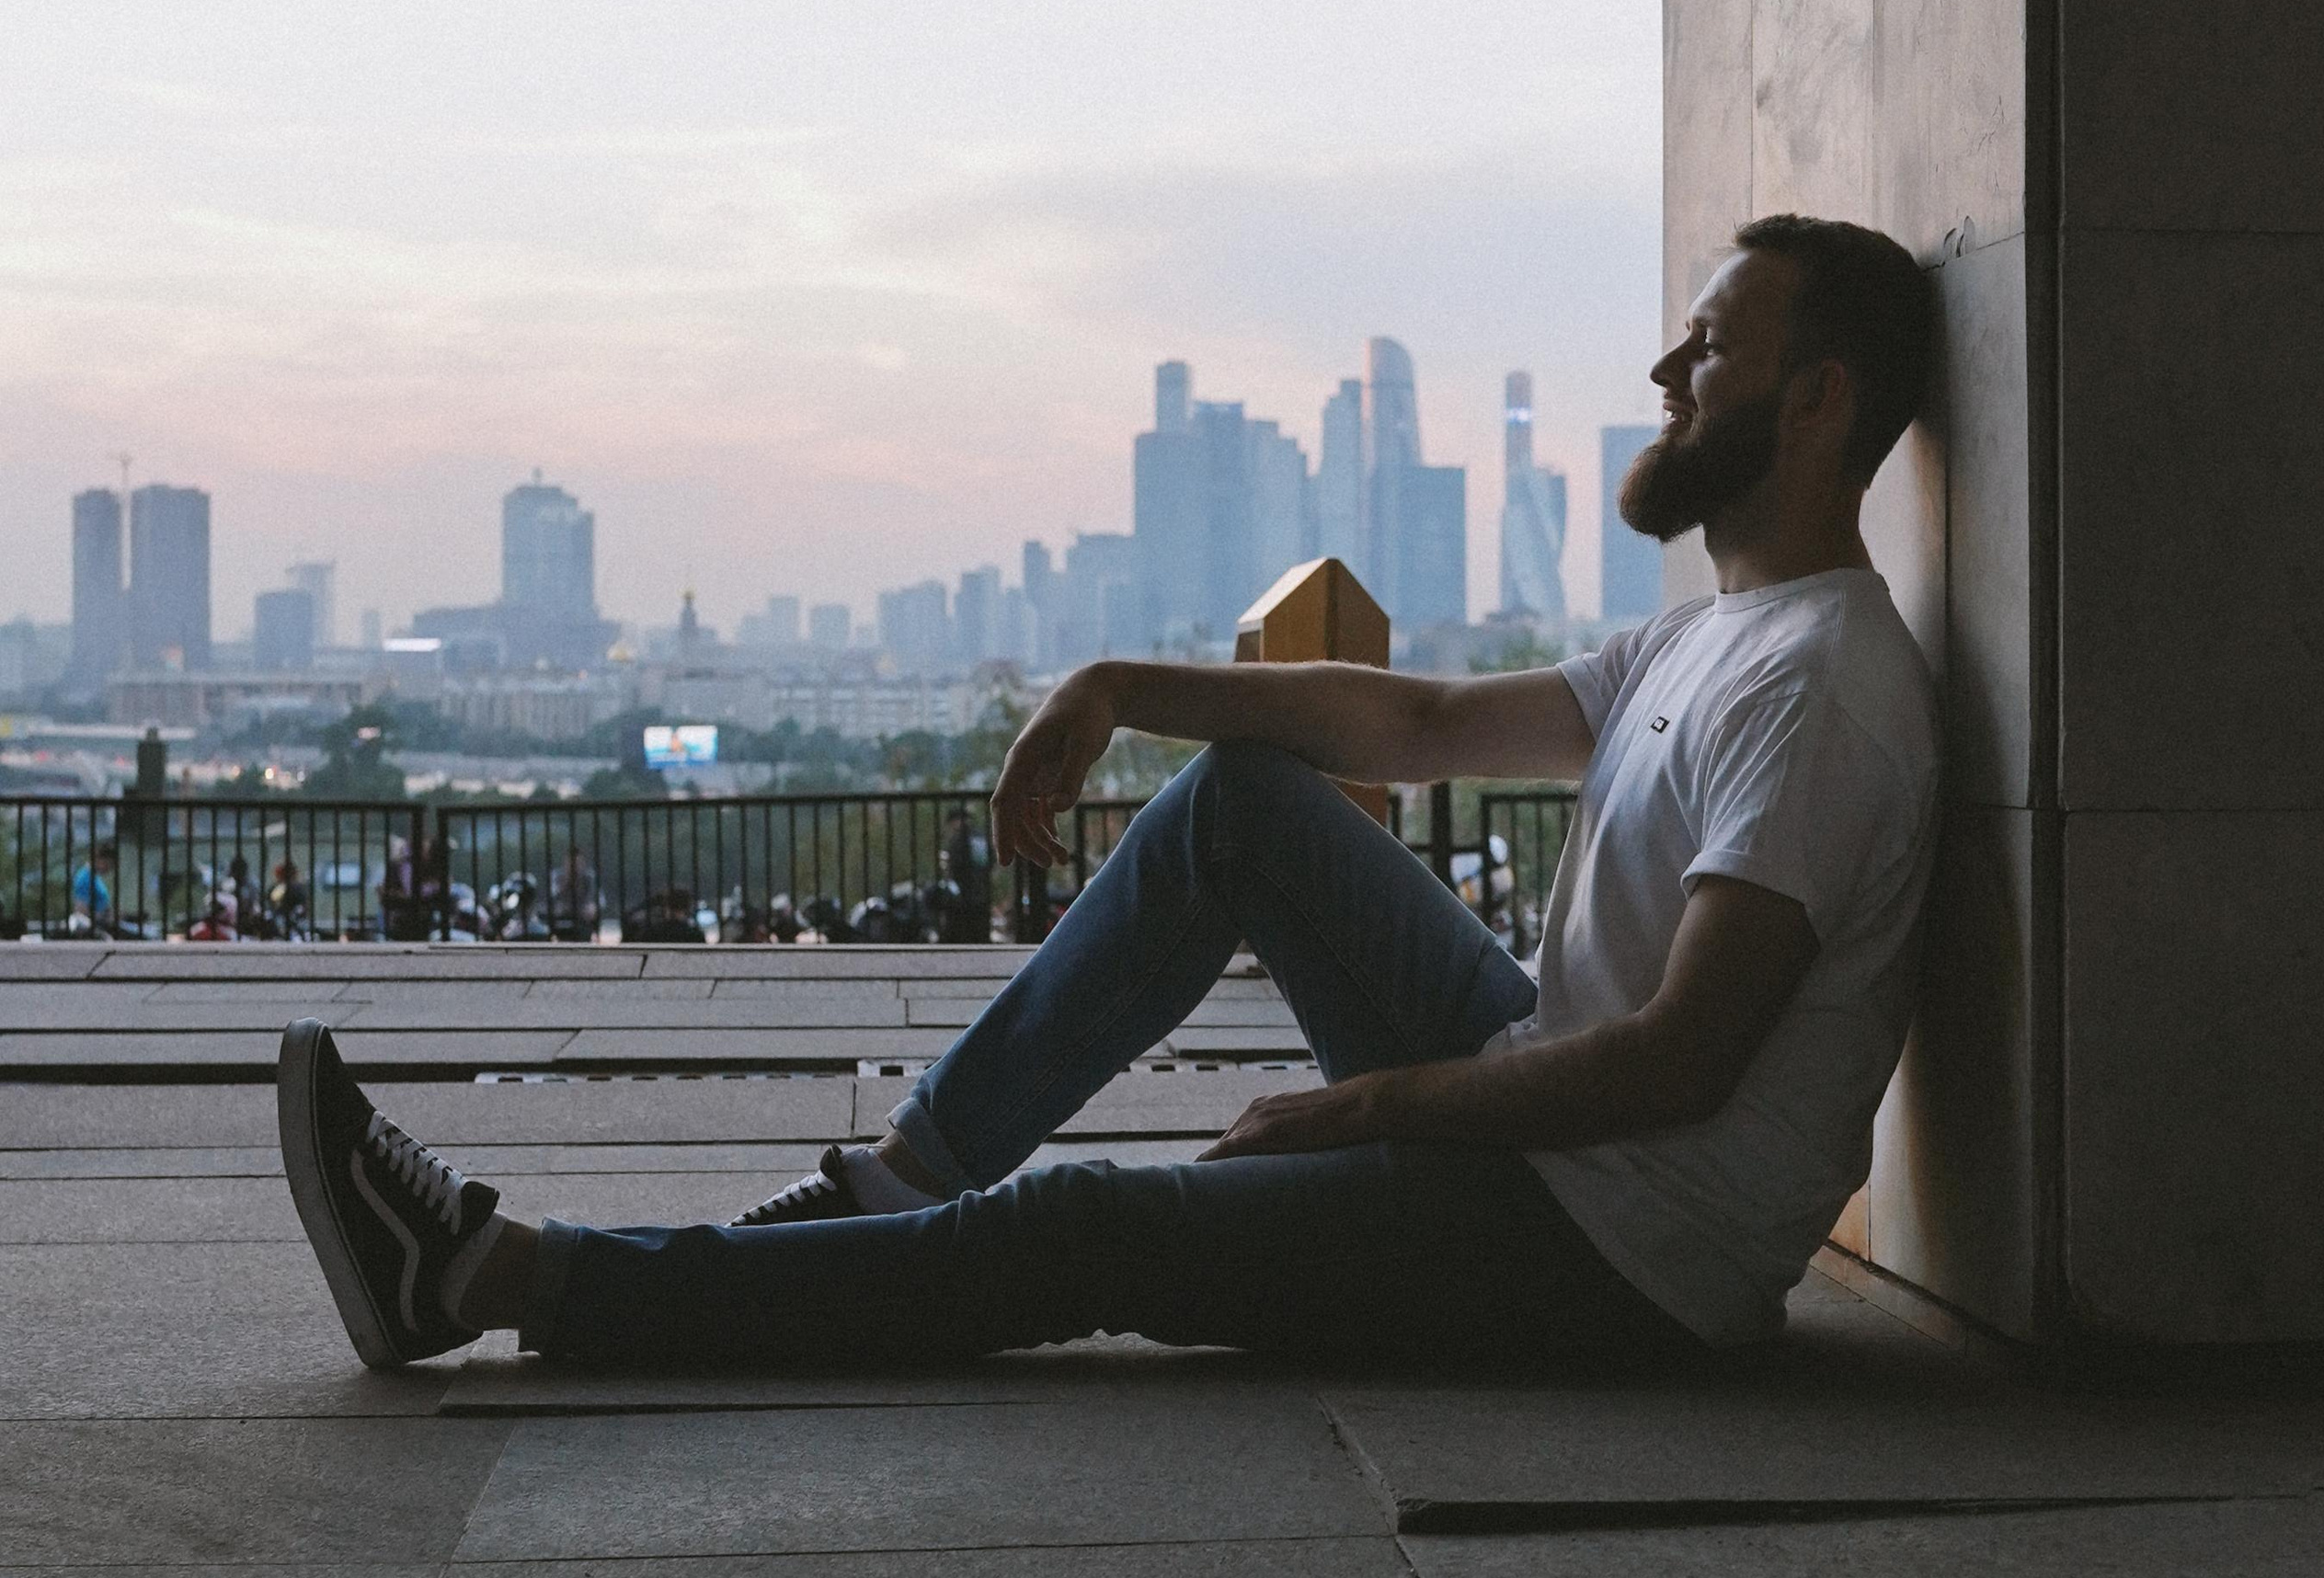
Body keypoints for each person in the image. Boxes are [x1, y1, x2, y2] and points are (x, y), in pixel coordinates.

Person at [278, 216, 1941, 1382]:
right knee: (1246, 803)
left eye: (1712, 346)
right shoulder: (1721, 636)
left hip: (1616, 1258)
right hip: (1556, 1143)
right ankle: (903, 1176)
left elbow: (1678, 1062)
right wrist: (1121, 691)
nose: (1666, 365)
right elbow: (1419, 717)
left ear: (1816, 402)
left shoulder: (1819, 692)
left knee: (1083, 1230)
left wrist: (1363, 1108)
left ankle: (501, 1277)